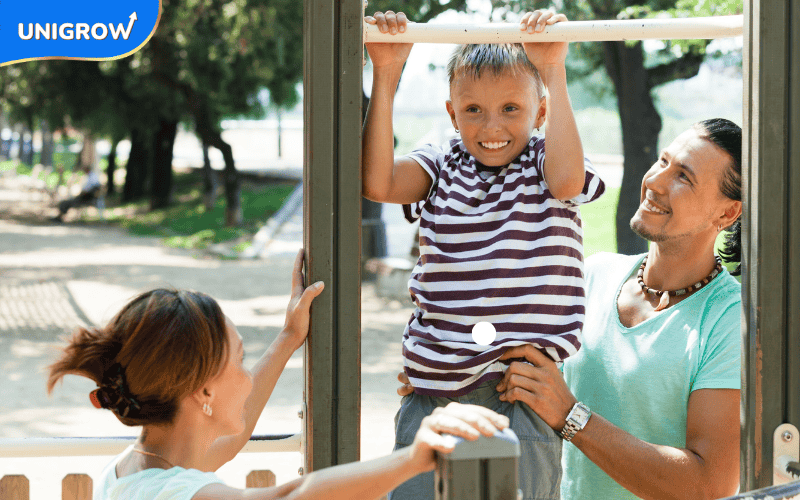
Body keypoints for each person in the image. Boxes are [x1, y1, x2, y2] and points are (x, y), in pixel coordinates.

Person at [399, 118, 744, 499]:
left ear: (727, 214)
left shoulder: (730, 319)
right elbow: (521, 383)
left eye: (684, 177)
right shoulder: (591, 274)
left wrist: (572, 417)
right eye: (663, 161)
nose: (656, 182)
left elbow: (709, 483)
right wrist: (447, 372)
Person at [363, 9, 605, 500]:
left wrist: (552, 71)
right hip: (432, 395)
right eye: (473, 109)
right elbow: (379, 182)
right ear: (452, 113)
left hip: (518, 391)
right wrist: (386, 72)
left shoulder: (545, 162)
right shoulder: (441, 160)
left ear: (540, 113)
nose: (491, 125)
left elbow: (565, 181)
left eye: (511, 109)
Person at [47, 249, 511, 500]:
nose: (247, 377)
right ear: (204, 389)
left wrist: (289, 337)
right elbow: (294, 497)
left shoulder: (135, 469)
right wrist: (415, 458)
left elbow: (232, 435)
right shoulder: (179, 493)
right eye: (241, 361)